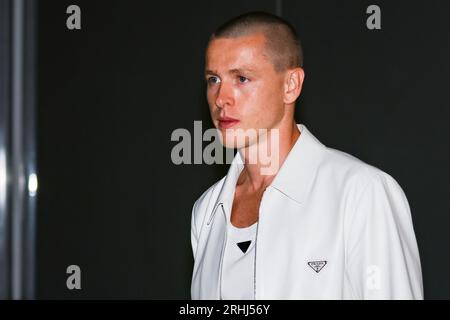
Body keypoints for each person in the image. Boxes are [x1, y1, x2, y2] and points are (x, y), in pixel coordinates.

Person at [190, 11, 423, 300]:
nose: (221, 98)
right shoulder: (207, 210)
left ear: (291, 85)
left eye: (241, 78)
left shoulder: (361, 193)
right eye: (213, 79)